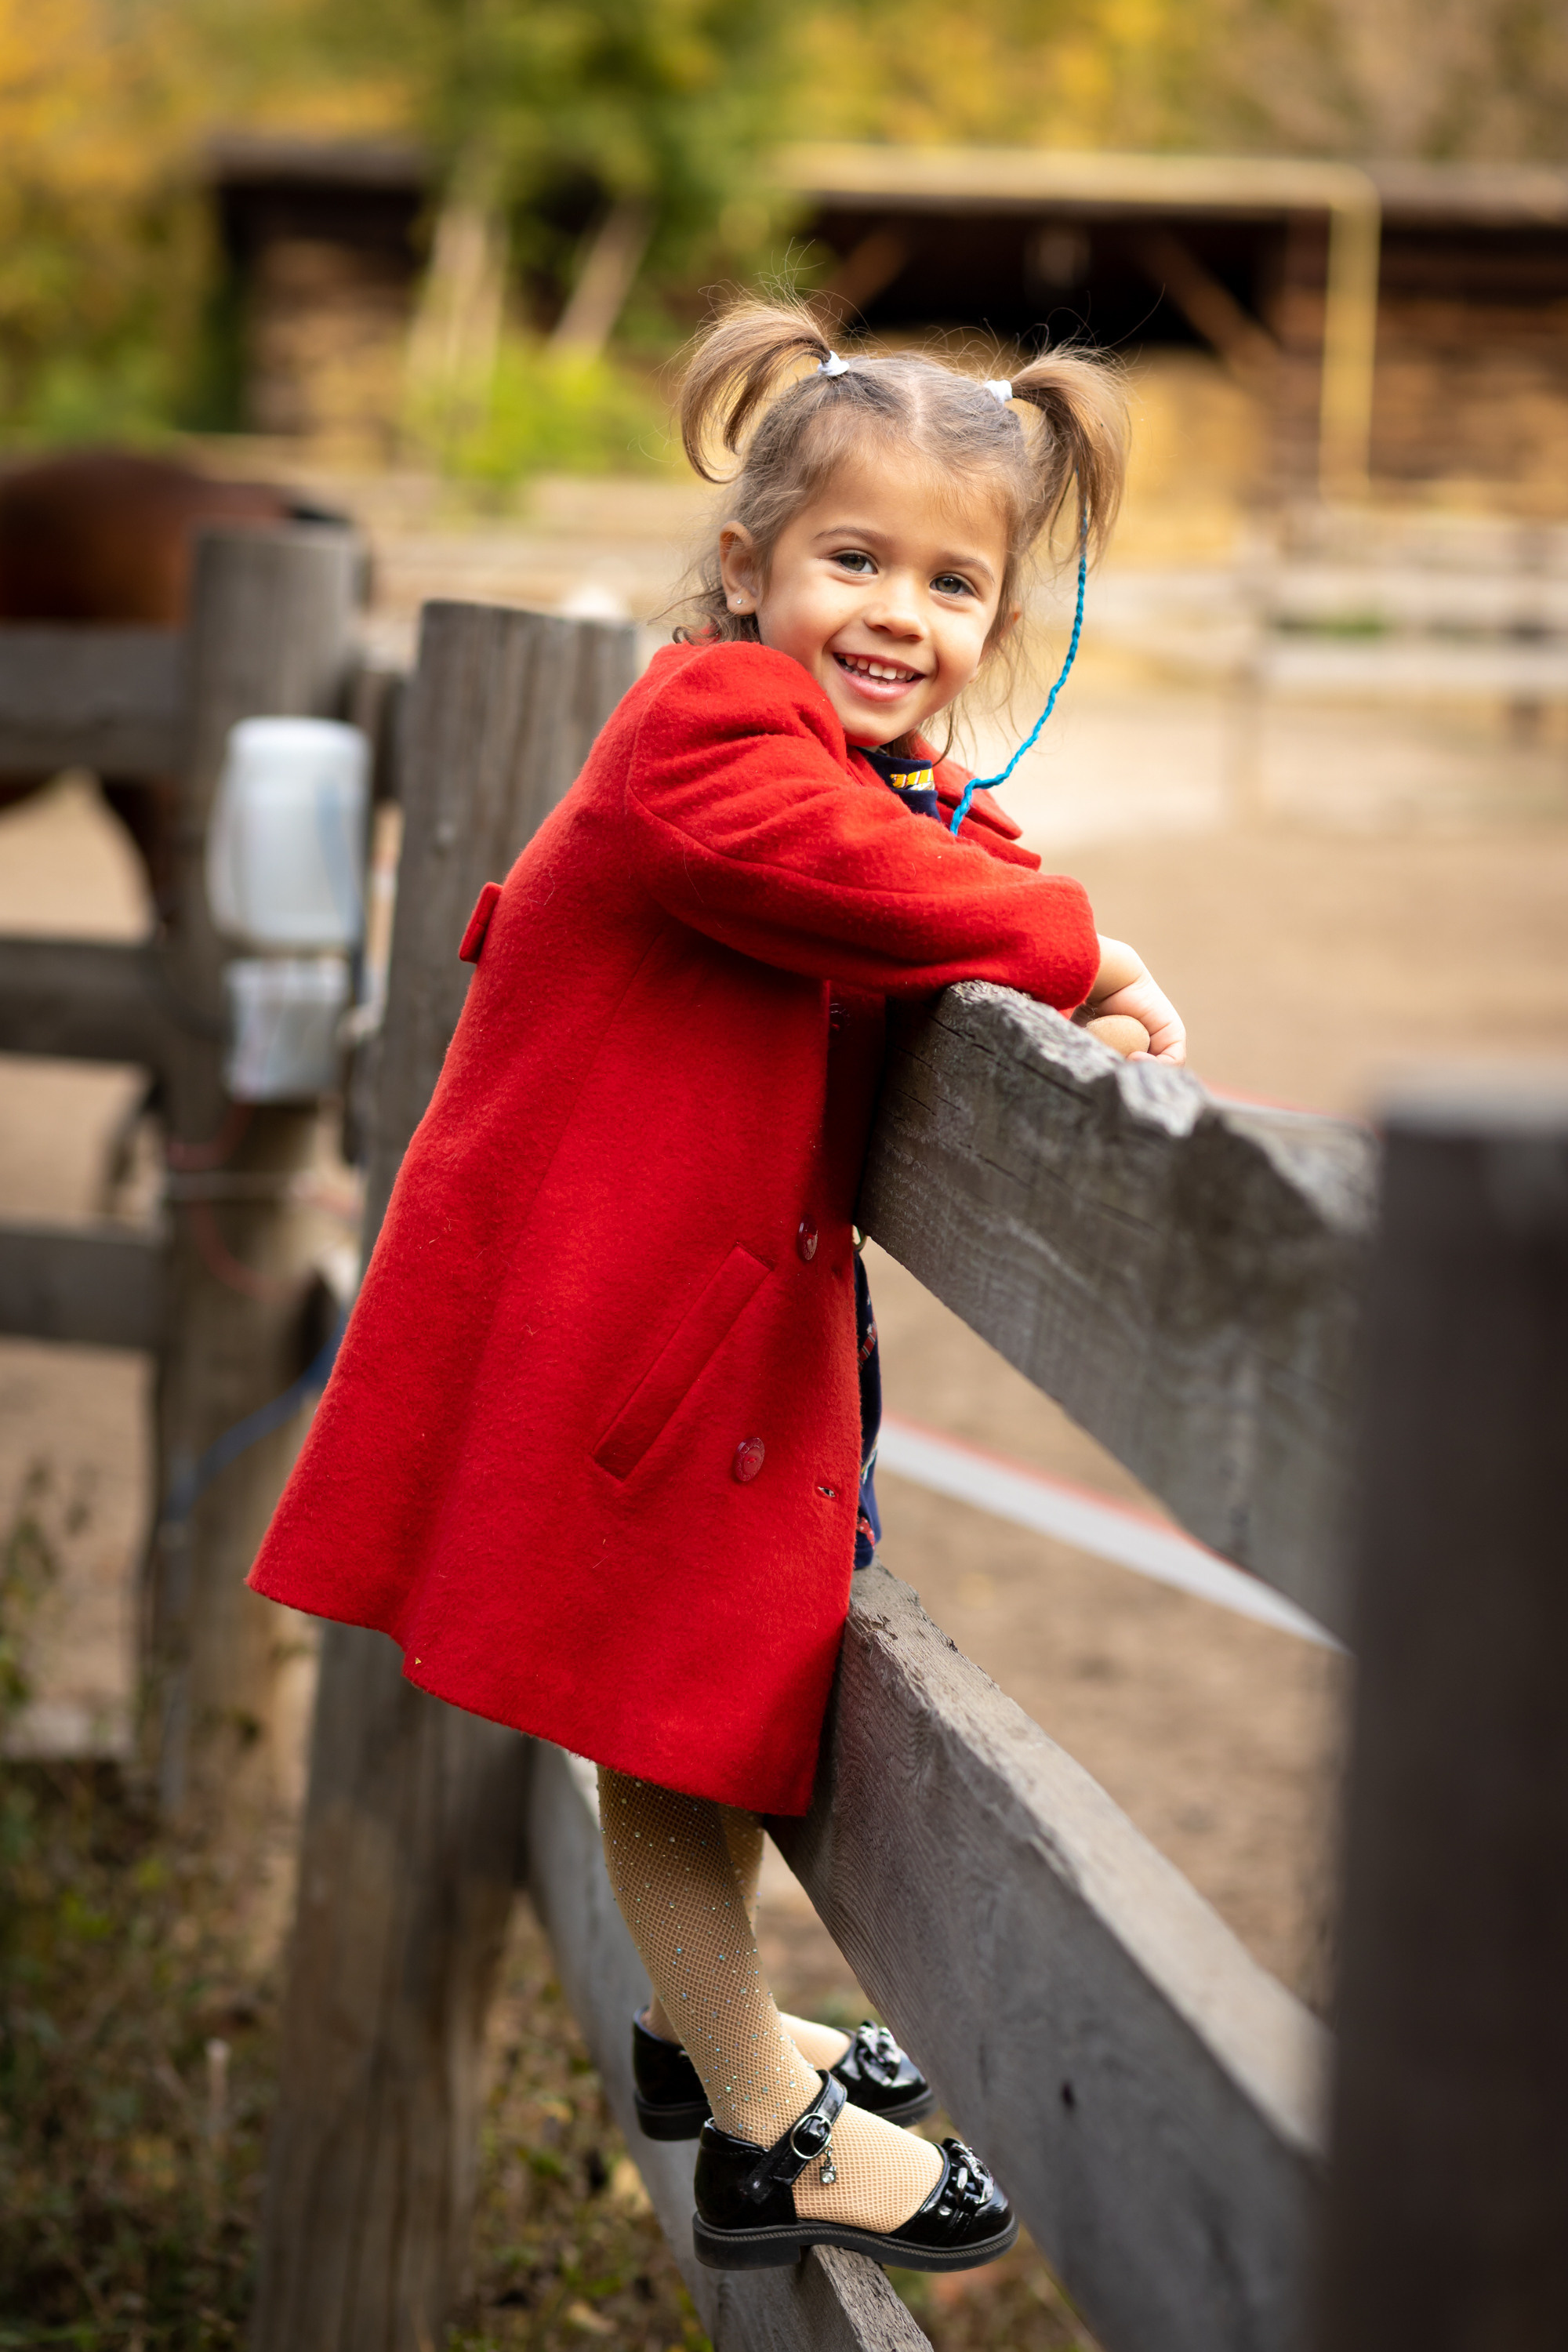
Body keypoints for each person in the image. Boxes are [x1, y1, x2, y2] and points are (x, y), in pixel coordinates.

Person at [248, 297, 1185, 2275]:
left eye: (952, 582)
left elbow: (927, 835)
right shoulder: (704, 732)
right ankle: (760, 2125)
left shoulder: (842, 760)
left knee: (702, 1679)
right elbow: (845, 873)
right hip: (612, 1323)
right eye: (854, 559)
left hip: (675, 1320)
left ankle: (709, 2024)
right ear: (746, 558)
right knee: (677, 1701)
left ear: (998, 619)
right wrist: (1075, 951)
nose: (898, 613)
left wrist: (1043, 918)